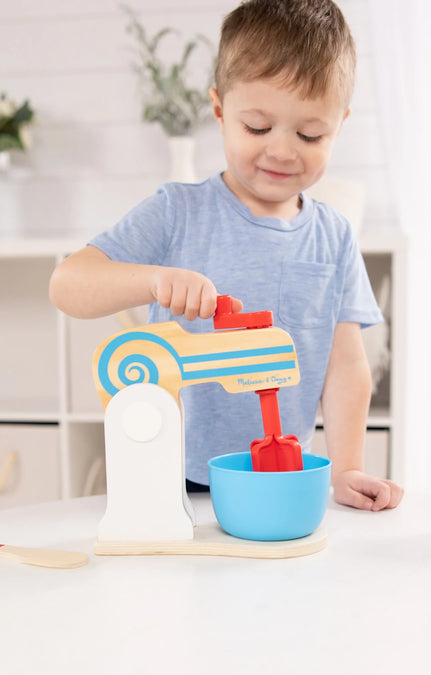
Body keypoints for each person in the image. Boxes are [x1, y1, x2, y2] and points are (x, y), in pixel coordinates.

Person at [49, 0, 403, 512]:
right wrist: (153, 280)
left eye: (310, 134)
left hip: (279, 478)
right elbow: (67, 285)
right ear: (219, 111)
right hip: (172, 479)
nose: (282, 151)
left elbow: (346, 366)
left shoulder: (335, 236)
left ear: (339, 125)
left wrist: (347, 468)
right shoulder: (177, 212)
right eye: (257, 127)